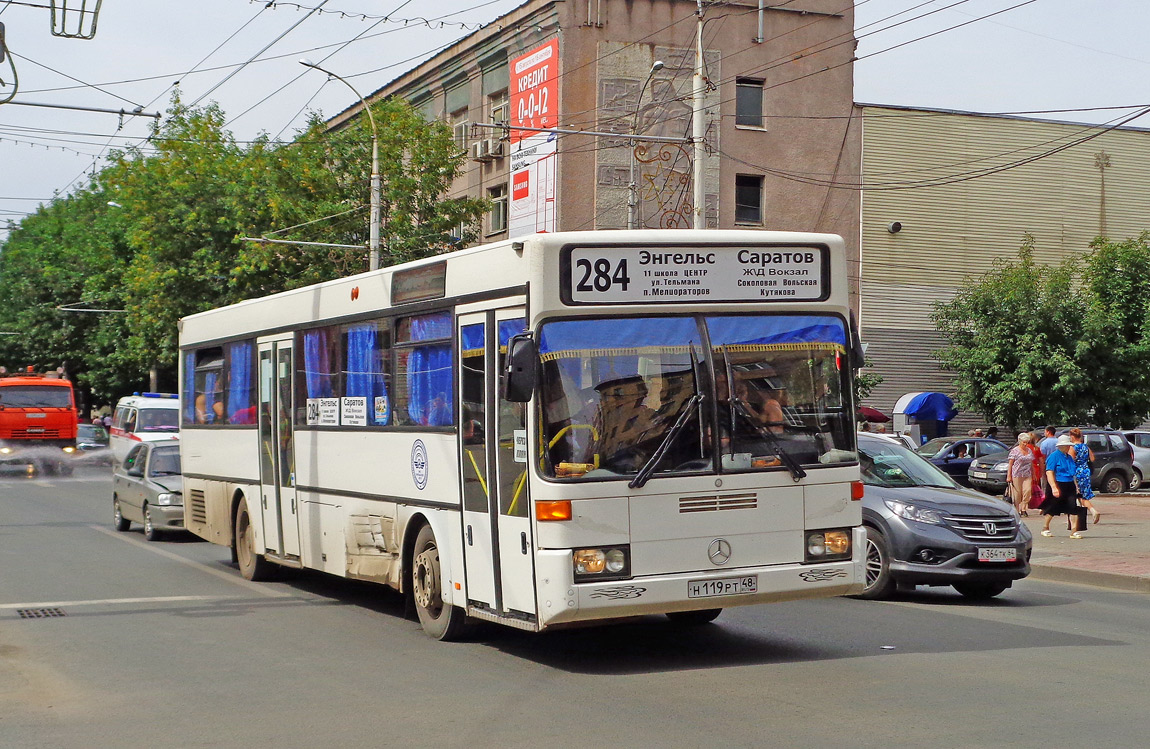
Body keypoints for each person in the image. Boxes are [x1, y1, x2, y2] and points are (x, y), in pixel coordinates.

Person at [1043, 434, 1084, 539]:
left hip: (1069, 484)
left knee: (1073, 507)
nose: (1068, 447)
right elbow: (1049, 472)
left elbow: (1073, 473)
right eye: (1066, 445)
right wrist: (1053, 487)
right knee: (1052, 507)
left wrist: (1076, 486)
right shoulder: (1054, 456)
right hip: (1058, 483)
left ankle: (1074, 531)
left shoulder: (1069, 457)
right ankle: (1045, 527)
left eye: (1069, 445)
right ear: (1061, 446)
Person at [1068, 428, 1101, 525]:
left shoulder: (1073, 447)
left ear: (1073, 437)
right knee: (1082, 494)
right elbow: (1092, 458)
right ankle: (1077, 517)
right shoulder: (1085, 447)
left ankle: (1092, 511)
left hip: (1077, 472)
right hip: (1086, 471)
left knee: (1078, 494)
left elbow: (1070, 461)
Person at [1006, 432, 1034, 517]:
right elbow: (1010, 464)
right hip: (1017, 474)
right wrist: (1009, 475)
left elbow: (1031, 462)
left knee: (1027, 491)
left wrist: (1034, 473)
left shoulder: (1029, 450)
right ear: (1020, 441)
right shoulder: (1015, 451)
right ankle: (1017, 509)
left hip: (1027, 474)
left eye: (1027, 442)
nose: (1025, 444)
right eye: (1024, 442)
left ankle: (1024, 508)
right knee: (1017, 493)